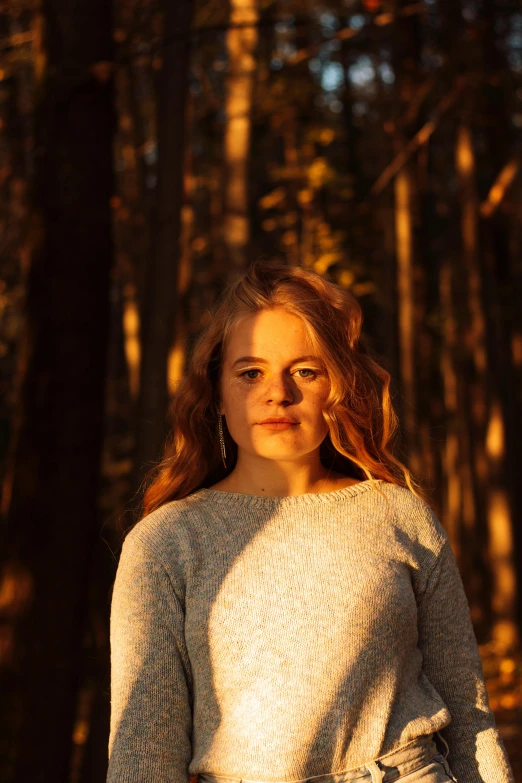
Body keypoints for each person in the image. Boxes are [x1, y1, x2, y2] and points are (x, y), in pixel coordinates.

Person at [106, 260, 515, 783]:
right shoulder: (166, 543)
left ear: (338, 388)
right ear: (217, 393)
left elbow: (469, 713)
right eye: (250, 372)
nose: (278, 392)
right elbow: (143, 754)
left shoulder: (398, 514)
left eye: (306, 370)